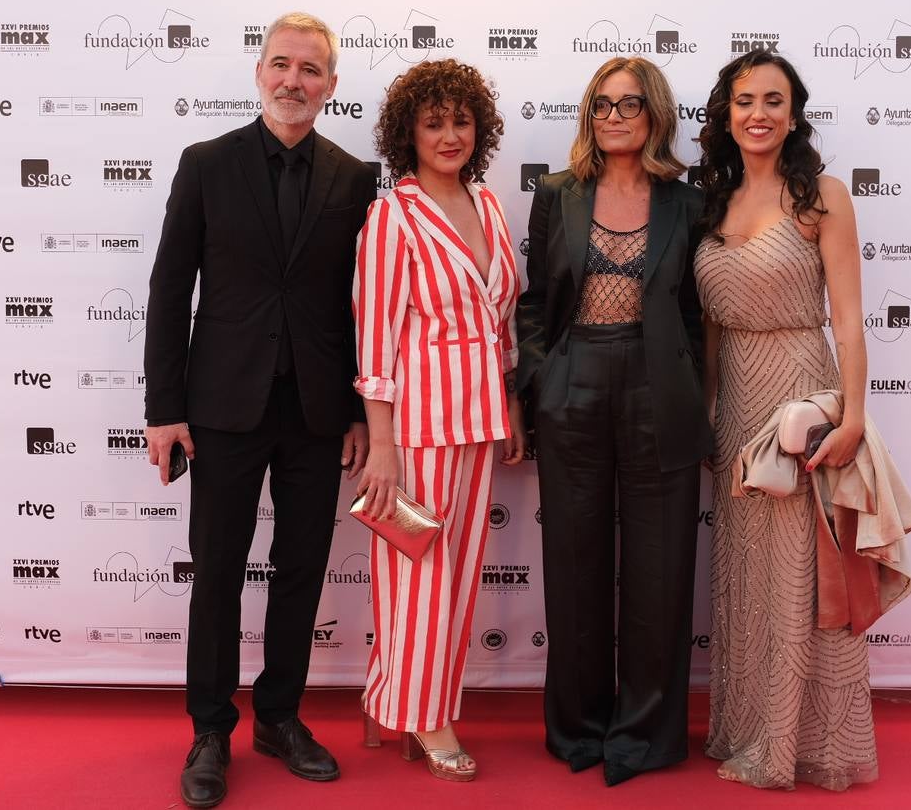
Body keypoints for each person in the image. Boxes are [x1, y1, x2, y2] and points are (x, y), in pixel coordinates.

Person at [143, 11, 377, 809]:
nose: (293, 81)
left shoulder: (355, 176)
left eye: (310, 70)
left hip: (316, 408)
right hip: (220, 404)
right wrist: (164, 407)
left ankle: (279, 716)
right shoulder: (205, 163)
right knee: (217, 572)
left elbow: (357, 307)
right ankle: (210, 728)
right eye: (281, 64)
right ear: (259, 72)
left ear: (331, 86)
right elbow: (171, 290)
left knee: (302, 569)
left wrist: (355, 410)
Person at [514, 56, 711, 787]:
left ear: (655, 113)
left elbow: (696, 319)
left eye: (630, 104)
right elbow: (536, 301)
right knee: (574, 563)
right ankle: (577, 727)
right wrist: (538, 383)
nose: (615, 116)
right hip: (573, 386)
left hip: (661, 390)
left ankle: (647, 734)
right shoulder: (558, 193)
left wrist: (701, 405)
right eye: (602, 104)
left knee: (661, 570)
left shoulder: (687, 204)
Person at [693, 49, 876, 791]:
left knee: (803, 574)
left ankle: (799, 742)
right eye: (744, 100)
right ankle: (748, 729)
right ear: (726, 114)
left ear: (793, 112)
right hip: (735, 402)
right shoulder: (713, 201)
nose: (758, 113)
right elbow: (708, 330)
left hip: (801, 397)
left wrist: (854, 416)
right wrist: (706, 416)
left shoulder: (822, 196)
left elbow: (851, 320)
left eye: (773, 99)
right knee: (746, 572)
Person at [353, 59, 524, 782]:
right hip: (418, 428)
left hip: (478, 423)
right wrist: (383, 446)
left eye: (461, 120)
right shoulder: (395, 213)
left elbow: (502, 319)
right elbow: (375, 336)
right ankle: (425, 718)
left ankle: (395, 697)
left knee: (453, 582)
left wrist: (509, 402)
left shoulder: (488, 205)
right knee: (416, 575)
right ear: (408, 135)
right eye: (434, 123)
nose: (450, 134)